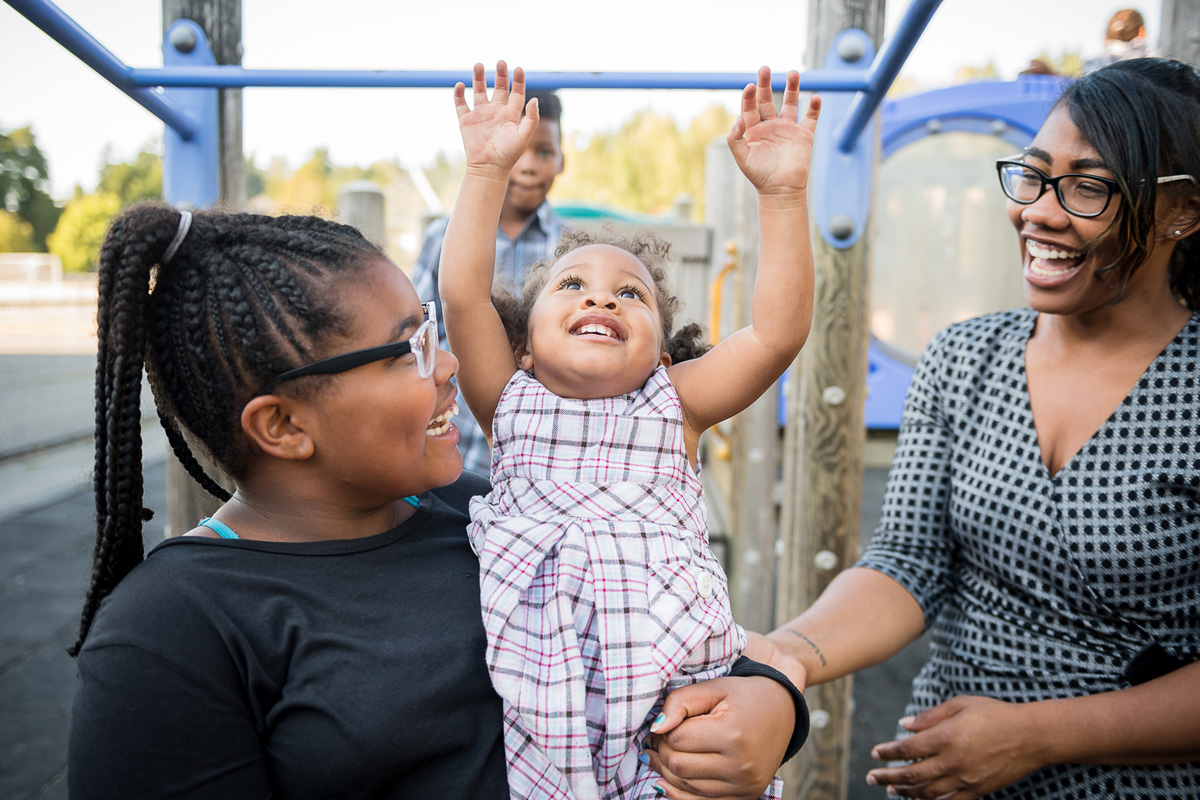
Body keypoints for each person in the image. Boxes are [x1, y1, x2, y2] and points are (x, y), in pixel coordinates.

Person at [67, 202, 806, 799]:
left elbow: (683, 638)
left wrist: (776, 710)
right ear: (285, 425)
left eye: (432, 328)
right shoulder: (168, 632)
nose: (451, 360)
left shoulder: (493, 512)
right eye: (411, 347)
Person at [755, 57, 1200, 799]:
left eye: (1089, 187)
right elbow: (908, 562)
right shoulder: (966, 356)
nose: (1040, 213)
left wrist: (1034, 735)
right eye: (1031, 175)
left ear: (1181, 211)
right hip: (945, 776)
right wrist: (787, 654)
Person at [438, 61, 818, 799]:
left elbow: (774, 336)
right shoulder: (509, 398)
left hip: (672, 706)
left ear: (663, 352)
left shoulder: (672, 403)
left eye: (631, 295)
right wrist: (486, 168)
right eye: (572, 285)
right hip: (545, 698)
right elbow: (460, 291)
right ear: (522, 342)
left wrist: (783, 194)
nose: (602, 299)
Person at [412, 87, 567, 475]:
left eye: (544, 152)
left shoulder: (571, 248)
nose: (528, 166)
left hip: (537, 439)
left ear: (563, 160)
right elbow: (421, 326)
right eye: (519, 151)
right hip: (456, 426)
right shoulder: (447, 237)